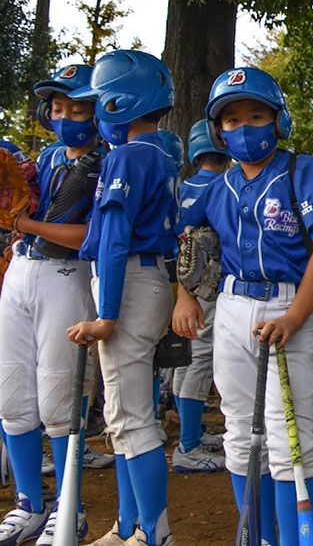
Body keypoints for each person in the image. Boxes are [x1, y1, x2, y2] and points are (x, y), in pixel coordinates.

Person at [171, 67, 313, 546]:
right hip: (230, 307)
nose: (244, 126)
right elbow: (186, 240)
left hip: (290, 307)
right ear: (217, 130)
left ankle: (294, 539)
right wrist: (185, 294)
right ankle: (258, 536)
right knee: (240, 434)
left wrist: (295, 316)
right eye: (231, 118)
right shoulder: (216, 187)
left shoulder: (302, 171)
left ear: (277, 120)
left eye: (256, 114)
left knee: (291, 438)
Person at [66, 50, 182, 546]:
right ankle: (130, 525)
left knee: (130, 418)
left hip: (129, 284)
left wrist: (106, 315)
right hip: (148, 280)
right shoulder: (163, 152)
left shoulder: (129, 155)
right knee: (132, 414)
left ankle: (153, 535)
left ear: (120, 102)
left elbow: (114, 236)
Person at [0, 65, 102, 545]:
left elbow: (91, 236)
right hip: (21, 272)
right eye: (58, 108)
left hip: (66, 276)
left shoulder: (107, 162)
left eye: (77, 107)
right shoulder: (44, 158)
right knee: (13, 395)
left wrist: (28, 224)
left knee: (60, 400)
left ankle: (69, 510)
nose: (65, 116)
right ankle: (29, 505)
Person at [169, 120, 229, 473]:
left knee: (187, 357)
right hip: (207, 284)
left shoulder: (182, 186)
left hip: (180, 281)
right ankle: (188, 445)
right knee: (200, 358)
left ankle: (192, 433)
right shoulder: (223, 186)